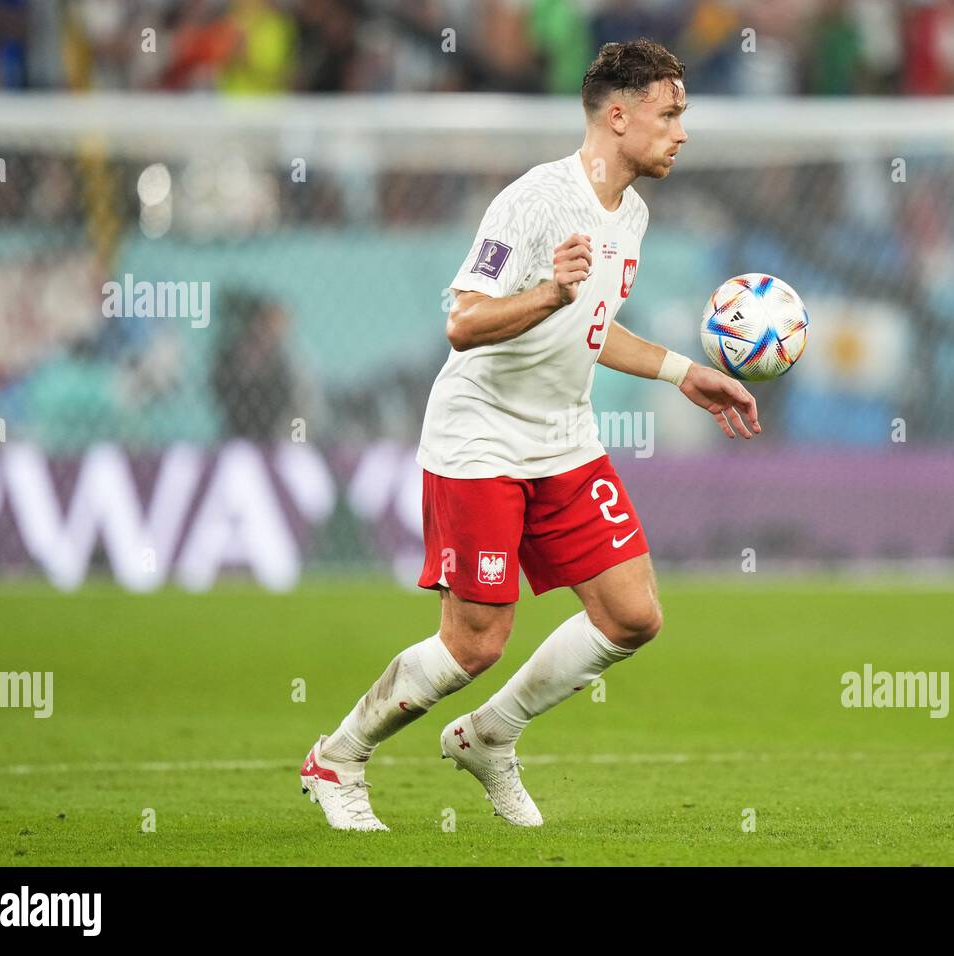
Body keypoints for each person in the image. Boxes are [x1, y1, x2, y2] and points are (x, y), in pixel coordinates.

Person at [300, 37, 760, 831]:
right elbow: (463, 321)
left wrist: (682, 371)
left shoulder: (635, 212)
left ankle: (490, 736)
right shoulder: (534, 202)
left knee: (633, 615)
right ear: (618, 117)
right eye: (670, 113)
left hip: (564, 437)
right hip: (479, 440)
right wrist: (548, 290)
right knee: (476, 644)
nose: (682, 131)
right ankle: (337, 756)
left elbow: (593, 326)